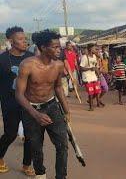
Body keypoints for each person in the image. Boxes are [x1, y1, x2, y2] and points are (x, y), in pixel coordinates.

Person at [15, 30, 70, 179]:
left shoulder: (58, 65)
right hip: (31, 110)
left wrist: (66, 110)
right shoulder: (27, 65)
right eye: (55, 47)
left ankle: (61, 176)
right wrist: (36, 114)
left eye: (60, 46)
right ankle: (40, 173)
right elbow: (19, 94)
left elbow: (58, 87)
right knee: (36, 148)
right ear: (43, 47)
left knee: (62, 145)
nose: (59, 50)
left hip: (52, 107)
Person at [0, 26, 35, 176]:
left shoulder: (31, 56)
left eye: (25, 39)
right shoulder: (2, 59)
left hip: (29, 102)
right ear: (11, 41)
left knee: (31, 135)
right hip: (10, 103)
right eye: (20, 39)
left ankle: (26, 164)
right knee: (10, 134)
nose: (24, 41)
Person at [80, 44, 102, 111]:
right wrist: (90, 69)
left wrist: (98, 75)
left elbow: (95, 67)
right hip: (87, 77)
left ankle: (98, 103)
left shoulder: (94, 56)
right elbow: (81, 68)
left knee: (97, 91)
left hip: (94, 76)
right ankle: (91, 107)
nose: (96, 50)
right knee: (91, 93)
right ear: (90, 49)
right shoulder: (84, 57)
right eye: (94, 49)